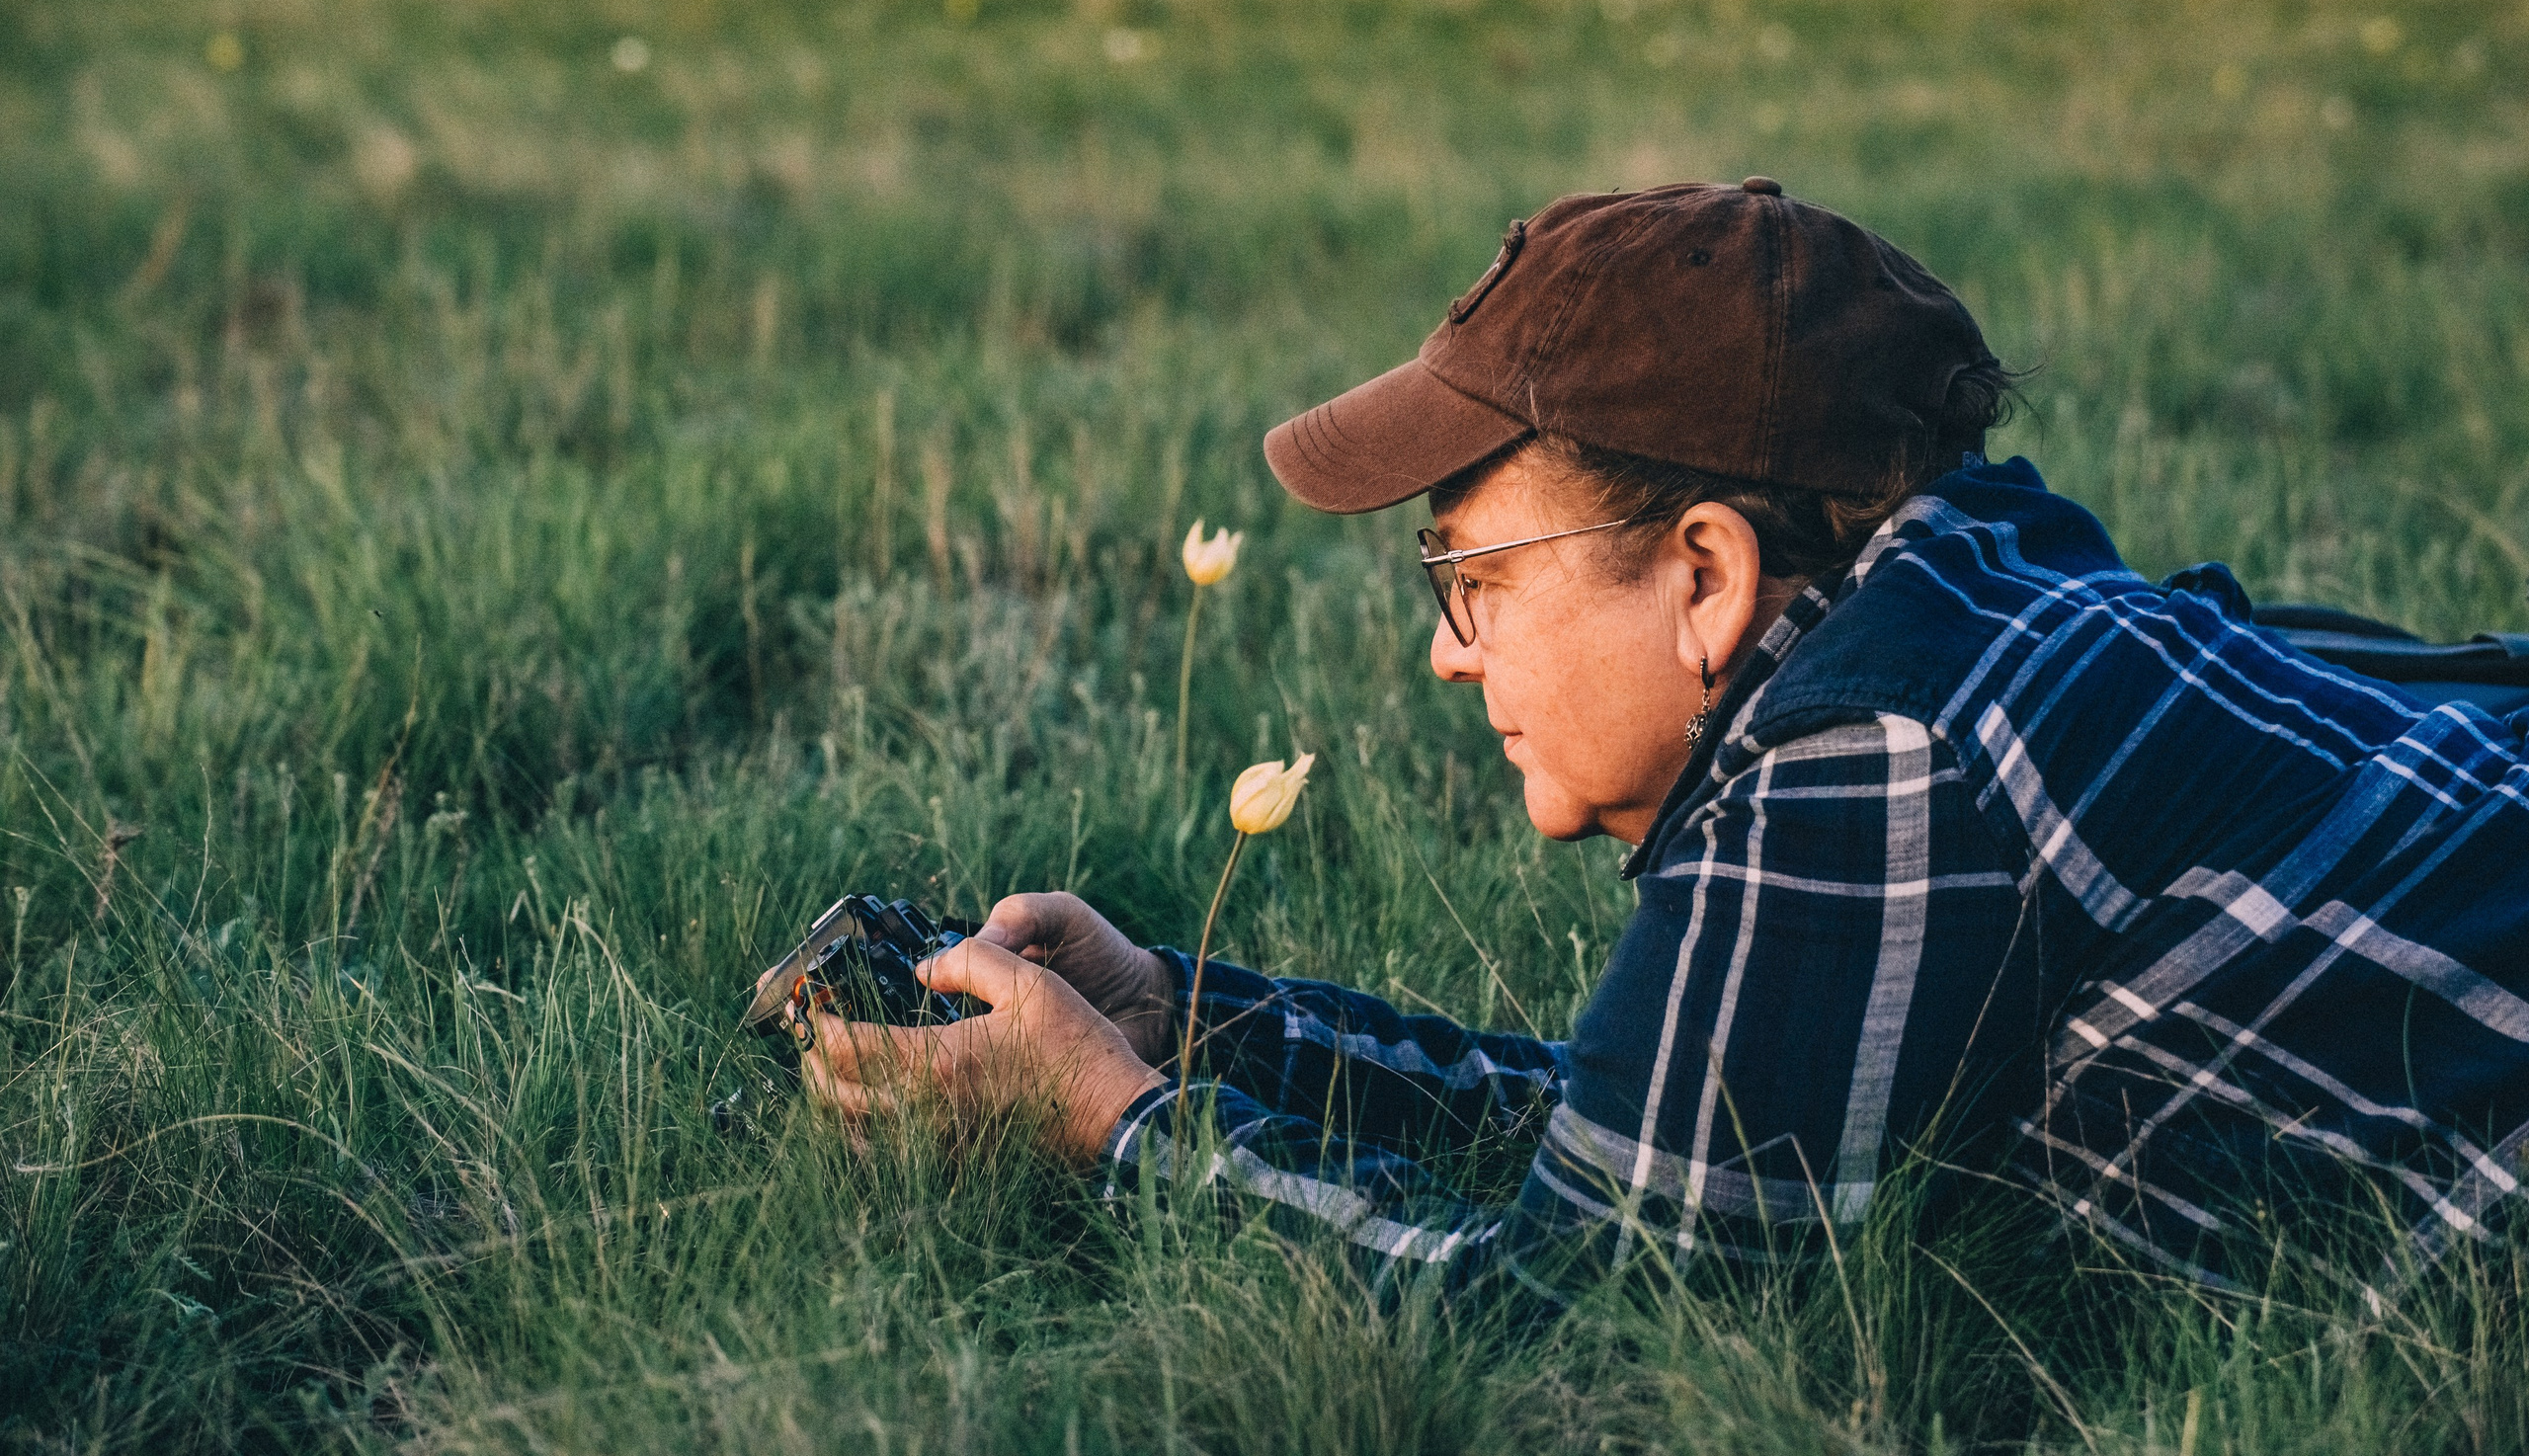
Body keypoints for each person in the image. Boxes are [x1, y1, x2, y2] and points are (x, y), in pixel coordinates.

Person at [799, 178, 2529, 1307]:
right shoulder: (1972, 597)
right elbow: (1666, 1138)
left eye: (1469, 572)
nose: (1441, 652)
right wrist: (1198, 1016)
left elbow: (1577, 1326)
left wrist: (1118, 1124)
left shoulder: (1870, 752)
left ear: (1705, 573)